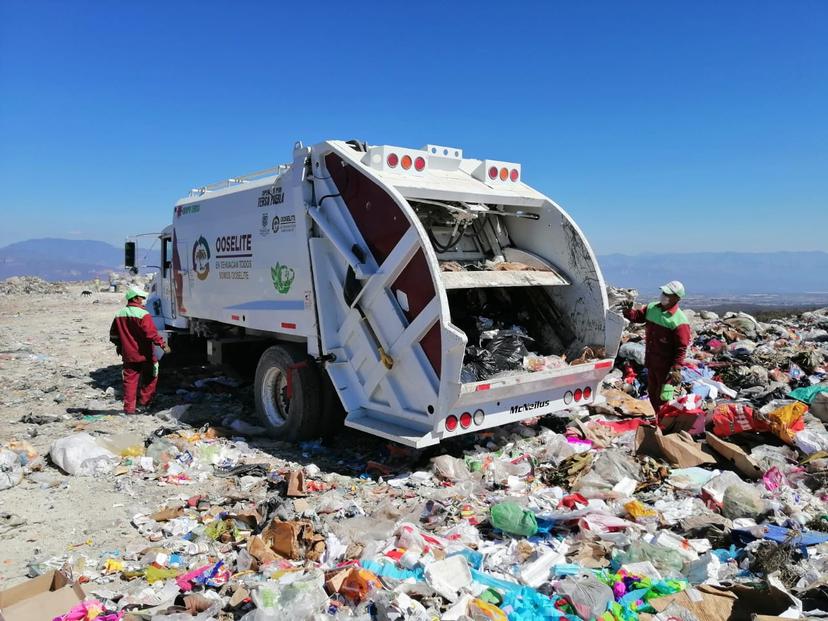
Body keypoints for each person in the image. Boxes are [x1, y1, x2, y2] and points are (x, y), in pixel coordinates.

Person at [622, 280, 691, 414]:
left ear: (677, 298)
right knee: (652, 393)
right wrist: (628, 311)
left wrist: (676, 369)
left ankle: (663, 425)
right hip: (651, 362)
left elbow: (681, 348)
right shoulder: (652, 308)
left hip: (666, 368)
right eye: (664, 292)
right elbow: (637, 317)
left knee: (663, 397)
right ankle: (655, 420)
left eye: (668, 294)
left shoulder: (679, 320)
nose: (664, 295)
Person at [109, 287, 170, 414]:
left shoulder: (119, 313)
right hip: (145, 354)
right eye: (141, 298)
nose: (143, 300)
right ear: (135, 298)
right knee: (150, 377)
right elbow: (151, 334)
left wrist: (120, 345)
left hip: (128, 355)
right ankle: (144, 404)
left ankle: (129, 409)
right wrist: (163, 344)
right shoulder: (143, 314)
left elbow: (113, 335)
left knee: (129, 382)